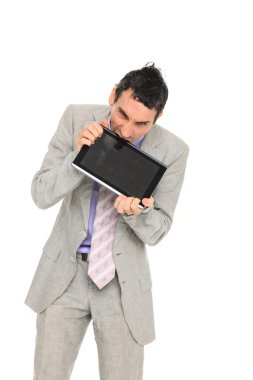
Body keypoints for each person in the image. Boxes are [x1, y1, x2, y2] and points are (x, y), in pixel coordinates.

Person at [25, 62, 189, 380]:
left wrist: (136, 214)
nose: (127, 131)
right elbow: (40, 194)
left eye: (141, 123)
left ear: (158, 118)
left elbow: (159, 229)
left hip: (122, 284)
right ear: (113, 95)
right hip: (64, 275)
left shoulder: (173, 151)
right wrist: (78, 159)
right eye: (122, 115)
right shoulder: (76, 118)